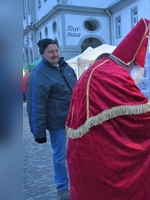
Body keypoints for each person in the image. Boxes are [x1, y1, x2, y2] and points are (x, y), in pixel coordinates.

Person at [65, 18, 150, 200]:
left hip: (80, 156)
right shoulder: (115, 75)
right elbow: (142, 113)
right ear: (132, 64)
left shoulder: (95, 69)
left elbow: (117, 116)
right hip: (101, 157)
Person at [26, 38, 77, 200]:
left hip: (75, 119)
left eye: (56, 50)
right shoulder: (38, 74)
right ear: (42, 53)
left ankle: (80, 181)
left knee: (77, 152)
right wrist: (38, 131)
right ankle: (63, 188)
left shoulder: (65, 67)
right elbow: (35, 103)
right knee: (60, 156)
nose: (55, 54)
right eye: (50, 51)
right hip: (57, 123)